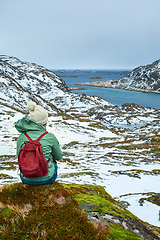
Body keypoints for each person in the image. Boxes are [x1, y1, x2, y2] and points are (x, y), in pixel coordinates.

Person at [15, 101, 63, 185]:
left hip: (26, 179)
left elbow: (18, 156)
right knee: (52, 161)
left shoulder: (22, 136)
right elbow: (58, 156)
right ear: (45, 121)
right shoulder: (50, 137)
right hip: (47, 179)